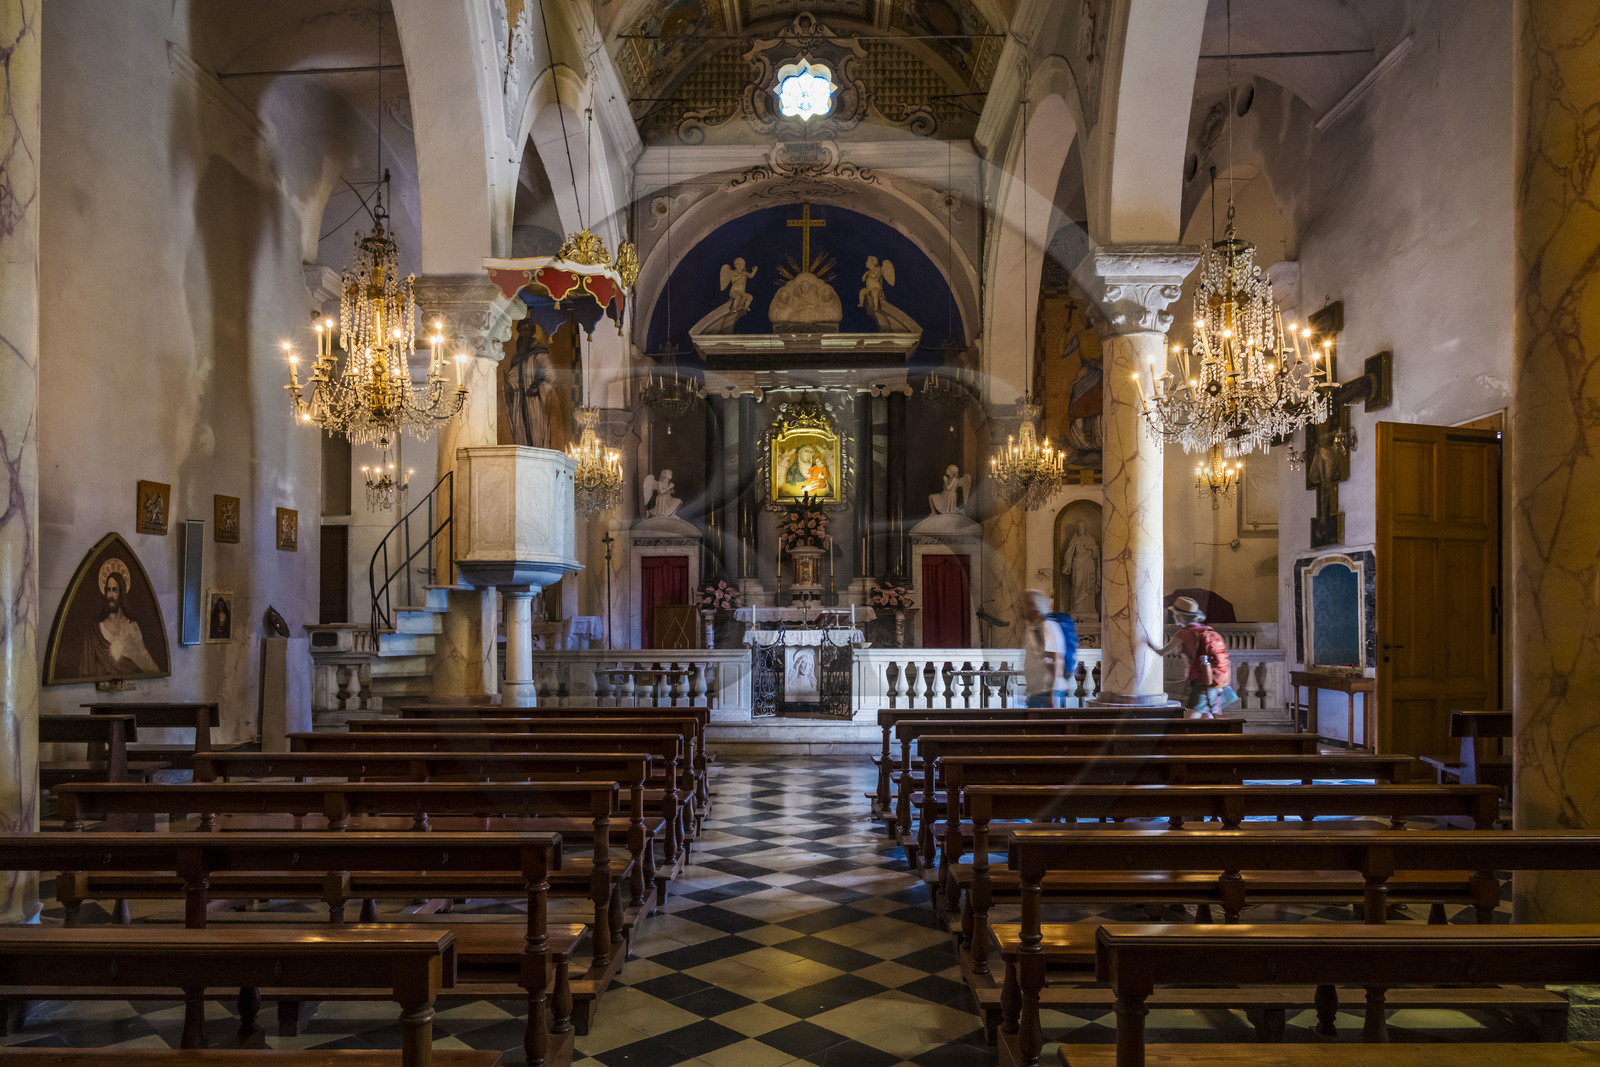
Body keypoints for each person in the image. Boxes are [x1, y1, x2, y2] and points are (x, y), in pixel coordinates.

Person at [1149, 595, 1236, 718]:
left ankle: (1186, 737)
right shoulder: (1206, 629)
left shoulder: (1184, 633)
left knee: (1190, 717)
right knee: (1207, 714)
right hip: (1213, 678)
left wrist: (1147, 642)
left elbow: (1162, 652)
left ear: (1179, 615)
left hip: (1200, 680)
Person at [79, 561, 158, 677]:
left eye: (115, 590)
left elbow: (145, 659)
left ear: (121, 593)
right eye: (108, 590)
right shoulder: (95, 630)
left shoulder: (132, 627)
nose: (110, 595)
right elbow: (87, 670)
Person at [1017, 589, 1068, 708]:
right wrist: (1029, 691)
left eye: (1025, 603)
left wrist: (1053, 694)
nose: (1021, 606)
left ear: (1035, 606)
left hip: (1046, 694)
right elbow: (1039, 659)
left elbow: (1057, 659)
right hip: (1038, 692)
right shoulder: (1033, 628)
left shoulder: (1047, 627)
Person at [1060, 518, 1099, 619]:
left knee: (1089, 587)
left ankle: (1089, 610)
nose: (1081, 529)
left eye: (1082, 527)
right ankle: (1076, 608)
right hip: (1078, 565)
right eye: (1079, 527)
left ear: (1085, 528)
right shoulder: (1075, 539)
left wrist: (1091, 547)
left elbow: (1095, 554)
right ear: (1077, 529)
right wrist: (1067, 565)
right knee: (1077, 585)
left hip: (1089, 565)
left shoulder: (1091, 539)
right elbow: (1068, 553)